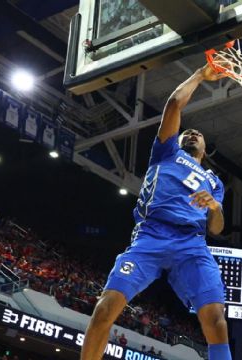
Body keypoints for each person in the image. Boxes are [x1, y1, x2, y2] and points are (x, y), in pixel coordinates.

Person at [81, 64, 227, 360]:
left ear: (205, 148)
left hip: (191, 245)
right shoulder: (167, 152)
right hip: (151, 236)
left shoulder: (214, 181)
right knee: (104, 309)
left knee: (216, 322)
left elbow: (217, 228)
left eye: (198, 135)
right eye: (188, 131)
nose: (193, 133)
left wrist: (214, 206)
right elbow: (174, 104)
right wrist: (199, 75)